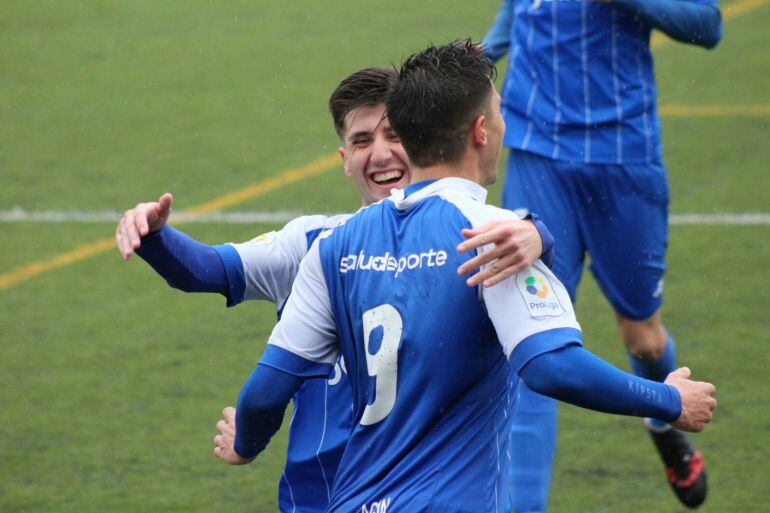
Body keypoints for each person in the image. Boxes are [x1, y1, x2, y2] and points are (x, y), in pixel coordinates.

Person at [213, 41, 716, 513]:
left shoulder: (334, 246)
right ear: (480, 131)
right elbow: (551, 368)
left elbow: (263, 393)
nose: (503, 125)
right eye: (498, 113)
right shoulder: (492, 238)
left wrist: (246, 442)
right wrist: (669, 401)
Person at [115, 67, 553, 513]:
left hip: (427, 494)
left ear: (422, 139)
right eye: (362, 141)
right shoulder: (316, 245)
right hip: (321, 502)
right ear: (345, 159)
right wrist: (155, 237)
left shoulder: (474, 237)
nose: (380, 154)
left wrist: (535, 233)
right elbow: (206, 269)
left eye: (394, 134)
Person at [482, 0, 723, 509]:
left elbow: (707, 25)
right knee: (533, 336)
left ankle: (663, 421)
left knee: (644, 338)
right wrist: (481, 56)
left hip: (623, 157)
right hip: (537, 154)